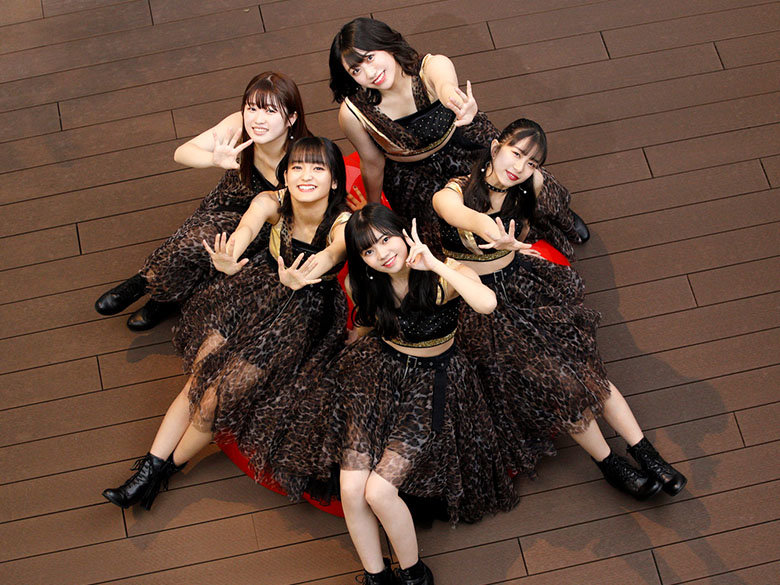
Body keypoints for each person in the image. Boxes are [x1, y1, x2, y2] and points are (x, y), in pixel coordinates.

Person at [432, 118, 686, 500]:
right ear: (496, 147)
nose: (519, 167)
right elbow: (461, 216)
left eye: (531, 163)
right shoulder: (452, 192)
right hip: (483, 301)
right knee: (560, 384)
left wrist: (518, 246)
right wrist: (490, 228)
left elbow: (541, 210)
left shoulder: (530, 184)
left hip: (524, 284)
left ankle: (647, 453)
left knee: (588, 370)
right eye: (516, 154)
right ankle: (609, 465)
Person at [102, 137, 351, 510]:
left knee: (219, 395)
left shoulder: (342, 221)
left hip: (304, 313)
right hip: (256, 291)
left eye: (318, 168)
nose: (306, 176)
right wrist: (230, 255)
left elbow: (334, 251)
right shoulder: (271, 201)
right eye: (297, 167)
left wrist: (309, 270)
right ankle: (147, 471)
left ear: (334, 180)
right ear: (285, 174)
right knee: (199, 376)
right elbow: (245, 230)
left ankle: (163, 472)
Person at [310, 204, 516, 585]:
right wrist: (355, 338)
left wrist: (433, 264)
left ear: (403, 232)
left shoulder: (444, 274)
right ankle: (376, 577)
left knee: (379, 492)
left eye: (386, 240)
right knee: (351, 488)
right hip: (377, 376)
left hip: (432, 383)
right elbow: (372, 324)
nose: (382, 254)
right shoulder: (361, 283)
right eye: (368, 250)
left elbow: (486, 303)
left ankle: (414, 574)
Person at [94, 71, 310, 330]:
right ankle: (145, 286)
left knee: (205, 249)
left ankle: (155, 292)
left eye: (270, 111)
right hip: (229, 198)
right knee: (193, 240)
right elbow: (181, 152)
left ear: (291, 118)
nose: (258, 119)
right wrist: (213, 160)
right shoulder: (239, 124)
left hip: (265, 221)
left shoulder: (302, 157)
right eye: (252, 108)